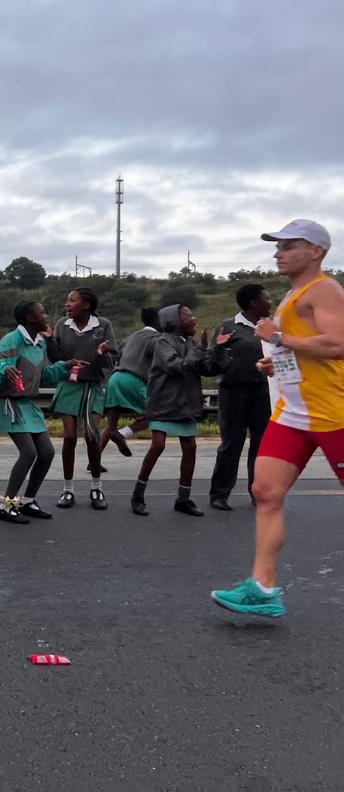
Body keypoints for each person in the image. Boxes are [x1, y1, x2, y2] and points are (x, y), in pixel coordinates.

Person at [213, 220, 344, 617]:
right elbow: (308, 347)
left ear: (316, 251)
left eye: (289, 245)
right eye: (277, 246)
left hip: (334, 413)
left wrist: (279, 339)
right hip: (294, 415)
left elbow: (339, 343)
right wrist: (279, 363)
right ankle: (262, 589)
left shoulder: (325, 289)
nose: (278, 252)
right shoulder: (293, 296)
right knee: (265, 492)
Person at [0, 302, 80, 524]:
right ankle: (6, 505)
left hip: (27, 404)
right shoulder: (13, 339)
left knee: (46, 453)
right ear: (29, 318)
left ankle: (27, 501)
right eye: (42, 313)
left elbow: (41, 376)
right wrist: (3, 369)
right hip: (9, 404)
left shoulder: (39, 344)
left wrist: (64, 366)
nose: (46, 316)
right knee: (28, 453)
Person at [132, 306, 231, 516]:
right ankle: (138, 495)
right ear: (174, 321)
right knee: (157, 446)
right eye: (189, 316)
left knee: (190, 448)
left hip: (185, 404)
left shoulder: (192, 343)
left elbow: (207, 368)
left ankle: (183, 499)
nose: (194, 319)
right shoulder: (162, 342)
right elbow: (176, 366)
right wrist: (200, 350)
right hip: (163, 403)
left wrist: (218, 349)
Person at [46, 288, 117, 510]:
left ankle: (97, 487)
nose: (67, 304)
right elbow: (56, 358)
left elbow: (112, 362)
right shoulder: (61, 325)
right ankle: (68, 490)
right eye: (67, 300)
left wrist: (102, 354)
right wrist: (49, 342)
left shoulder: (103, 325)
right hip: (69, 385)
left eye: (71, 300)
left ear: (85, 305)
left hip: (93, 386)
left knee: (92, 436)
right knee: (69, 438)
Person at [206, 284, 274, 511]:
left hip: (262, 393)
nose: (270, 301)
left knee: (261, 445)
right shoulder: (227, 326)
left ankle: (259, 493)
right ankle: (219, 494)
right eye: (266, 297)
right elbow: (210, 362)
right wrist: (217, 348)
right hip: (233, 392)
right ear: (253, 302)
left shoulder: (271, 328)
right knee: (232, 444)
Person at [98, 308, 159, 461]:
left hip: (115, 378)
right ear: (158, 320)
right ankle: (123, 433)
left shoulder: (132, 336)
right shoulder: (158, 338)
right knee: (156, 415)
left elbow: (116, 355)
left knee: (111, 424)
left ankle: (93, 461)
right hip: (134, 378)